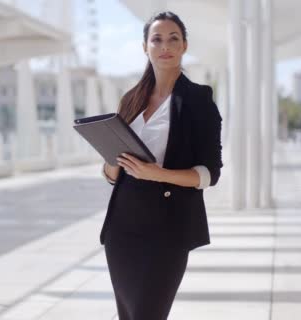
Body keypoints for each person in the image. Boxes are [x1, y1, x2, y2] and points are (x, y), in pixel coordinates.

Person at [101, 12, 222, 320]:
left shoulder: (199, 100)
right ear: (146, 47)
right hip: (123, 227)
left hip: (168, 229)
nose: (164, 46)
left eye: (173, 39)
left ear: (184, 46)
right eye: (157, 39)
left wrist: (158, 174)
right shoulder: (131, 99)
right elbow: (112, 175)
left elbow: (210, 174)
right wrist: (110, 161)